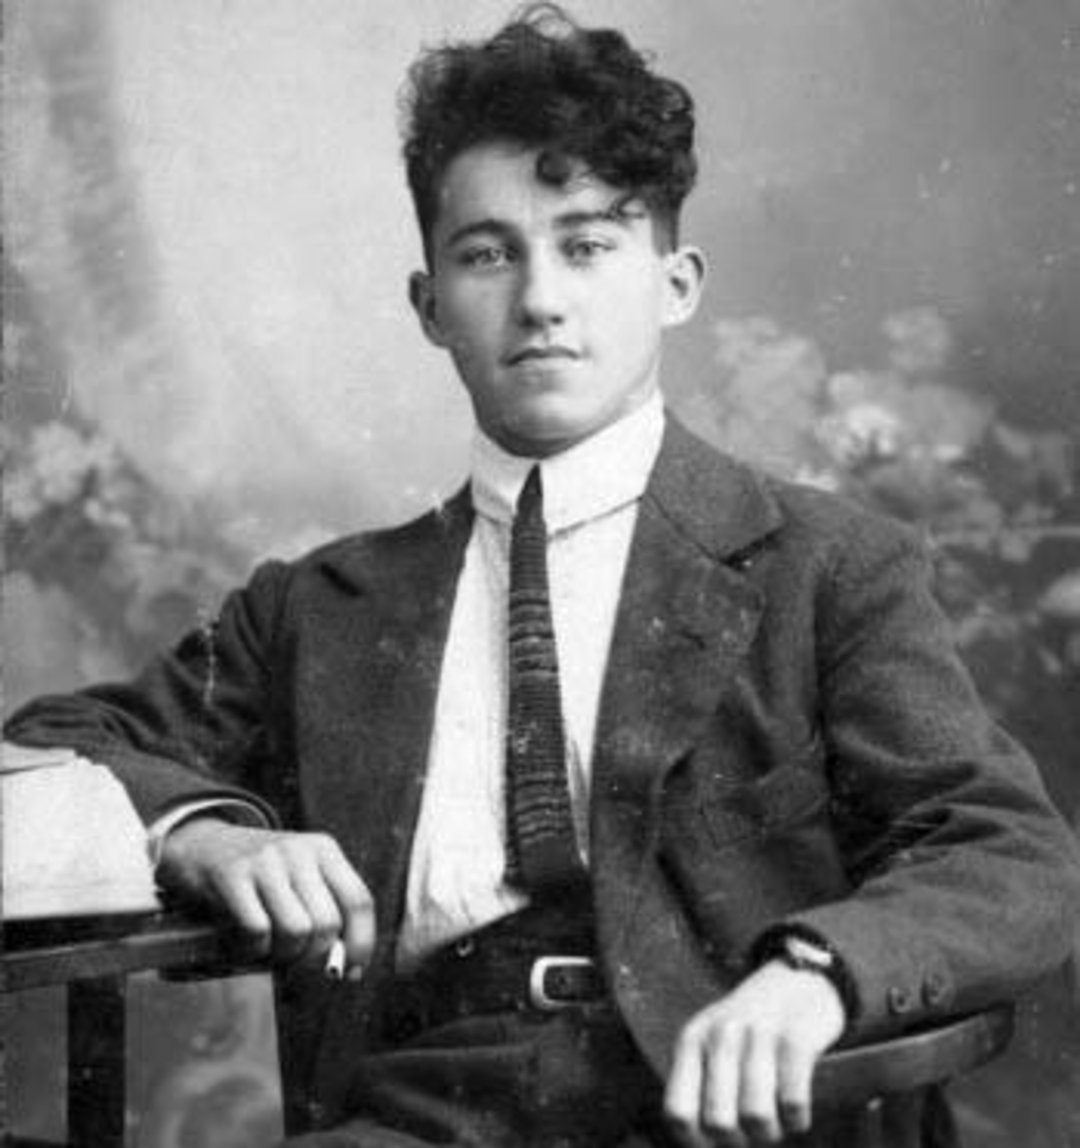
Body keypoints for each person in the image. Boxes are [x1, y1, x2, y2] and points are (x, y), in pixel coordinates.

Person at [7, 6, 1080, 1146]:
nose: (540, 299)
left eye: (588, 245)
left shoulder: (826, 565)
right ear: (429, 306)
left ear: (676, 283)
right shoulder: (319, 610)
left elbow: (1003, 847)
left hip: (730, 1111)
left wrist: (817, 974)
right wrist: (206, 835)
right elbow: (55, 748)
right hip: (428, 1111)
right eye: (487, 253)